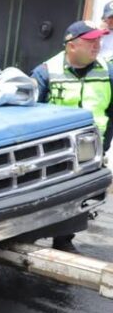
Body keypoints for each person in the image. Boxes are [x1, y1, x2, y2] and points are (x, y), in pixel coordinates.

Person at [30, 19, 113, 253]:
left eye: (99, 40)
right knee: (43, 194)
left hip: (90, 149)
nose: (97, 45)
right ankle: (29, 234)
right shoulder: (46, 72)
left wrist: (105, 143)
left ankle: (64, 239)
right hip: (54, 150)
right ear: (72, 45)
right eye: (90, 41)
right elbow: (28, 113)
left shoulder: (107, 71)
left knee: (79, 196)